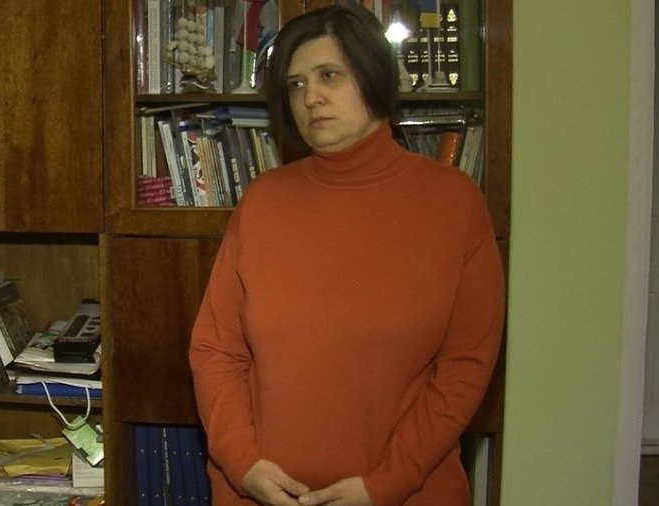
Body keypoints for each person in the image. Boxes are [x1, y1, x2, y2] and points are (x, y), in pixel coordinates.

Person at [188, 5, 504, 506]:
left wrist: (387, 484)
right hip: (257, 492)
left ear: (374, 76)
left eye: (329, 75)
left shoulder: (453, 202)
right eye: (295, 85)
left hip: (406, 493)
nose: (310, 97)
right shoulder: (263, 201)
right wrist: (242, 462)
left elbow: (465, 366)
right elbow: (216, 350)